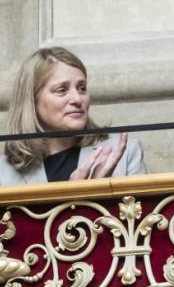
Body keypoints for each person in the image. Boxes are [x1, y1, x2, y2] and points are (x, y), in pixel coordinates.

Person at [0, 47, 146, 186]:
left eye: (82, 88)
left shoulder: (126, 152)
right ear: (32, 100)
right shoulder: (3, 171)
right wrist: (73, 195)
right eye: (61, 90)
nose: (77, 99)